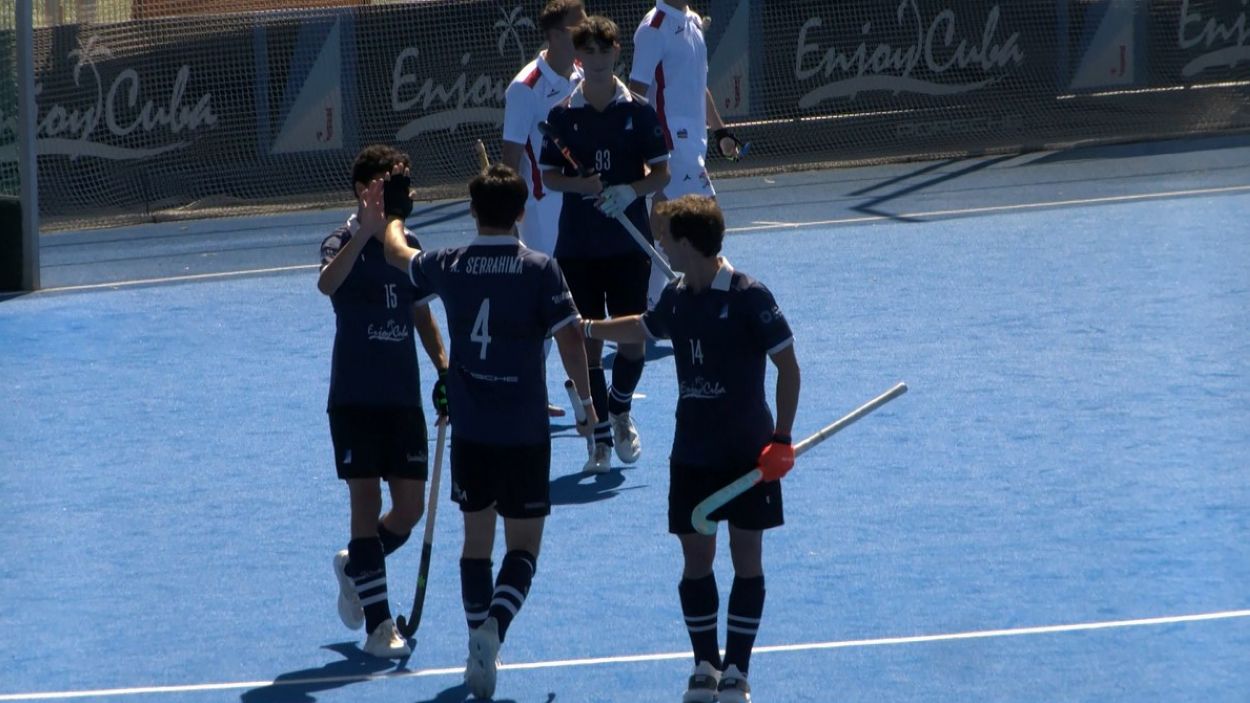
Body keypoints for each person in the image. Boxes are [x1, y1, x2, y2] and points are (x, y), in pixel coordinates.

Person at [377, 162, 596, 700]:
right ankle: (493, 630)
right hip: (524, 430)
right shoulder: (541, 269)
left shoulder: (449, 263)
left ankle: (479, 636)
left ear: (473, 211)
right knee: (524, 549)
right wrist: (587, 403)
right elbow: (570, 340)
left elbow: (395, 255)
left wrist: (393, 217)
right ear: (521, 213)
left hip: (473, 431)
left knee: (477, 548)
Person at [580, 195, 800, 703]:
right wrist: (586, 327)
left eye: (667, 238)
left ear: (688, 242)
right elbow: (643, 327)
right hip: (692, 457)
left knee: (747, 560)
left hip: (749, 455)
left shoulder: (750, 295)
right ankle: (705, 665)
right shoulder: (676, 296)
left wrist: (782, 439)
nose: (660, 244)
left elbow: (788, 367)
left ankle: (737, 673)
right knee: (696, 562)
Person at [317, 144, 450, 659]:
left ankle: (357, 567)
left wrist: (443, 368)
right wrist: (366, 234)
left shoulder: (407, 244)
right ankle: (378, 627)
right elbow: (327, 285)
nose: (405, 193)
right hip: (354, 397)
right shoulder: (340, 240)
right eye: (393, 183)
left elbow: (421, 314)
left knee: (410, 508)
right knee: (365, 503)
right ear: (363, 189)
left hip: (401, 397)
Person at [539, 15, 671, 473]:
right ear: (578, 58)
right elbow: (551, 175)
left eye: (604, 51)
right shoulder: (562, 116)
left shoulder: (638, 111)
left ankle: (620, 408)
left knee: (634, 340)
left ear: (617, 53)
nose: (596, 60)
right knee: (585, 343)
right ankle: (599, 436)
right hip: (577, 248)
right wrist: (582, 188)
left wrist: (630, 191)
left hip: (630, 247)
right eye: (588, 52)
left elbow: (663, 172)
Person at [502, 0, 587, 419]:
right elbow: (511, 154)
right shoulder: (525, 87)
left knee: (576, 298)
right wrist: (506, 210)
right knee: (549, 300)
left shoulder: (585, 73)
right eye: (578, 24)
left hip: (581, 200)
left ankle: (560, 389)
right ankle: (526, 387)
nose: (586, 28)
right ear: (555, 36)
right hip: (540, 210)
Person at [628, 0, 743, 309]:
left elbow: (699, 85)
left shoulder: (693, 21)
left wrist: (720, 132)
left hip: (695, 142)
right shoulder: (653, 28)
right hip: (670, 143)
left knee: (665, 223)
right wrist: (641, 144)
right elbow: (636, 91)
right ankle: (721, 293)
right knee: (708, 219)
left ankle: (648, 302)